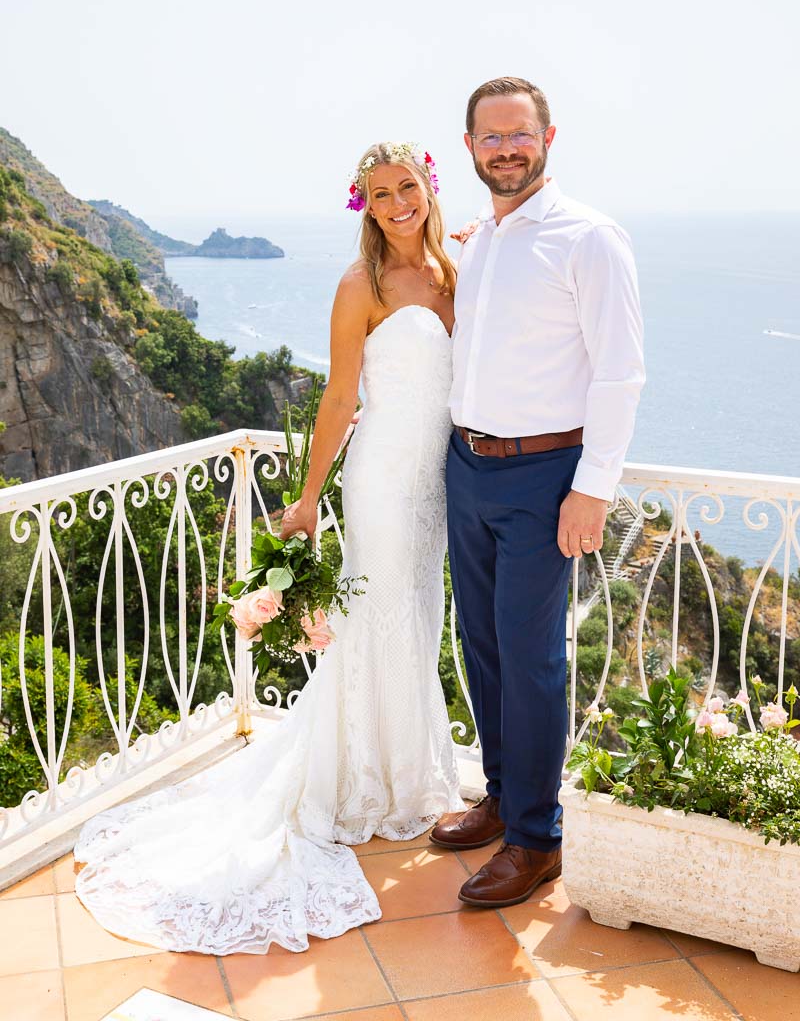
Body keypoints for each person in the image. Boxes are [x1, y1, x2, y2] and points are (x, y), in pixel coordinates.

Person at [74, 141, 462, 954]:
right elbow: (340, 396)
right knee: (376, 618)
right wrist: (310, 496)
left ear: (430, 188)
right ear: (364, 203)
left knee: (416, 617)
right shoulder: (361, 285)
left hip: (438, 484)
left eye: (408, 187)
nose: (398, 203)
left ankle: (410, 775)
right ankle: (360, 783)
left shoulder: (456, 271)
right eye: (381, 193)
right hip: (383, 482)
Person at [431, 77, 645, 907]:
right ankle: (500, 795)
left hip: (544, 476)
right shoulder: (482, 239)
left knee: (531, 659)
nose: (506, 149)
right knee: (481, 642)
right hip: (468, 465)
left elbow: (621, 374)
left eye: (520, 135)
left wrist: (592, 487)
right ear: (471, 147)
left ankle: (536, 838)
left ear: (548, 138)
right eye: (491, 137)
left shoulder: (590, 238)